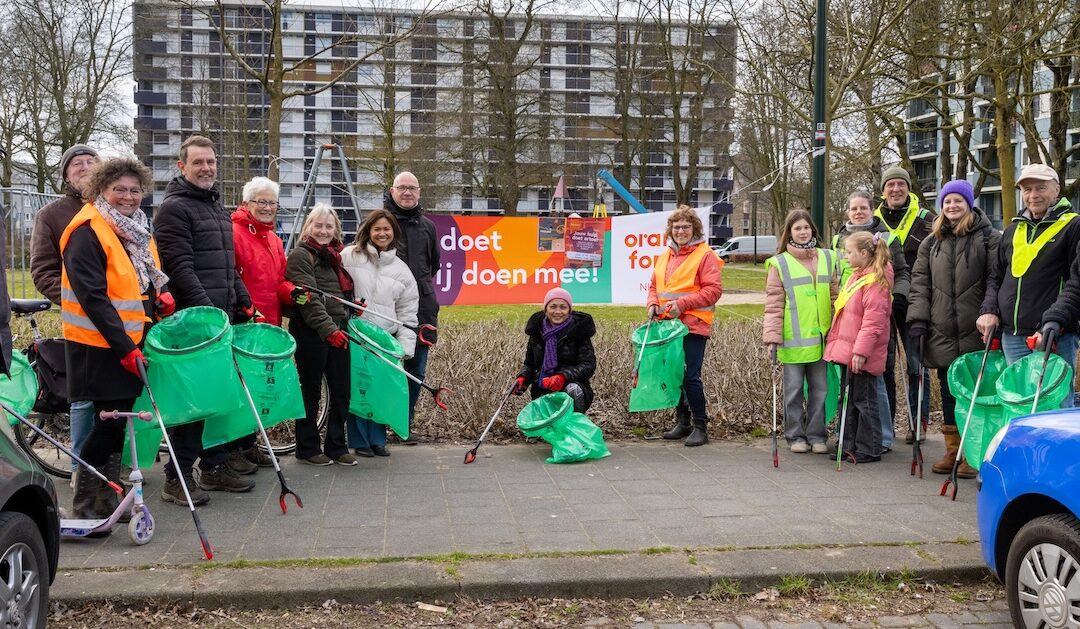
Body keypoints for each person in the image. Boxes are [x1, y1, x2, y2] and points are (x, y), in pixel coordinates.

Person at [59, 158, 172, 523]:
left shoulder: (136, 230)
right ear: (101, 190)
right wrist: (125, 349)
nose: (128, 196)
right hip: (98, 347)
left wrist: (158, 298)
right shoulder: (87, 230)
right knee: (107, 423)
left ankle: (109, 498)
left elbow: (137, 282)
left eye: (135, 190)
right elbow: (93, 296)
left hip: (129, 342)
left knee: (118, 422)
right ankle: (84, 504)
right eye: (119, 190)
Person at [154, 135, 256, 503]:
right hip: (197, 323)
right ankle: (176, 477)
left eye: (211, 161)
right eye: (198, 162)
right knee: (194, 404)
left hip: (220, 319)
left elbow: (227, 265)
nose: (206, 168)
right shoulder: (174, 210)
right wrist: (208, 313)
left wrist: (242, 298)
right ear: (182, 166)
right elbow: (179, 268)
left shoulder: (215, 206)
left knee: (217, 397)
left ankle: (213, 467)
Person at [906, 180, 999, 478]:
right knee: (948, 390)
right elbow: (920, 284)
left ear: (969, 203)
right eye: (947, 201)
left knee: (975, 391)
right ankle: (952, 450)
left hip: (976, 327)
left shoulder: (988, 238)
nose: (952, 206)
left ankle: (973, 453)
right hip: (942, 328)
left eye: (958, 200)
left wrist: (990, 312)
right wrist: (918, 321)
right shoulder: (931, 243)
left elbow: (995, 279)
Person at [981, 163, 1080, 408]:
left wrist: (1055, 320)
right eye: (1027, 189)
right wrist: (989, 310)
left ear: (1057, 190)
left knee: (1055, 407)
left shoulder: (1073, 226)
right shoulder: (1013, 229)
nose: (1033, 195)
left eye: (1040, 188)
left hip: (1052, 335)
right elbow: (996, 277)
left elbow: (1076, 282)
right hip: (1012, 336)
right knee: (1020, 406)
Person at [29, 144, 100, 477]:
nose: (84, 166)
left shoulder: (115, 205)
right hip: (83, 319)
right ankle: (82, 471)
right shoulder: (52, 215)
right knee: (84, 396)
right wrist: (80, 301)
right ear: (66, 176)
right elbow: (43, 271)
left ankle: (113, 463)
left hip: (123, 318)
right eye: (76, 163)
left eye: (91, 160)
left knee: (118, 395)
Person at [231, 176, 307, 468]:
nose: (267, 207)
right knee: (240, 389)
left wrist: (292, 292)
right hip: (245, 323)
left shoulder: (274, 239)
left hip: (269, 325)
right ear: (247, 203)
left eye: (272, 203)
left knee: (258, 388)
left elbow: (279, 281)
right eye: (260, 202)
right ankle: (233, 450)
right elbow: (230, 278)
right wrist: (245, 309)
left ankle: (248, 443)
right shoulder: (234, 234)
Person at [833, 190, 910, 451]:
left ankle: (880, 438)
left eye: (863, 208)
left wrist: (895, 300)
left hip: (872, 320)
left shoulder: (886, 239)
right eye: (853, 208)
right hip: (849, 321)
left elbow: (902, 273)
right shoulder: (839, 241)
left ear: (871, 209)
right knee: (852, 388)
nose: (858, 212)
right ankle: (851, 438)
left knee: (876, 382)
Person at [341, 209, 419, 457]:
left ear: (394, 232)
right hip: (355, 337)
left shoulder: (402, 270)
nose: (382, 233)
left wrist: (404, 347)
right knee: (359, 388)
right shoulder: (348, 256)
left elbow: (408, 313)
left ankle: (377, 440)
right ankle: (359, 441)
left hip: (384, 341)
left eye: (387, 229)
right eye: (377, 229)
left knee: (381, 391)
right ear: (368, 231)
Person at [285, 204, 356, 466]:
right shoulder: (301, 255)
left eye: (328, 226)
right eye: (318, 225)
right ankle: (307, 447)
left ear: (336, 229)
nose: (323, 231)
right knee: (311, 391)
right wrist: (330, 331)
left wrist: (352, 307)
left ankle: (336, 446)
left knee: (342, 391)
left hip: (337, 328)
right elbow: (309, 300)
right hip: (312, 331)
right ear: (308, 227)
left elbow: (335, 295)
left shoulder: (334, 257)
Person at [763, 210, 837, 454]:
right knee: (794, 391)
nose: (803, 232)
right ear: (789, 233)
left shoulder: (828, 258)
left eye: (806, 227)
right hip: (792, 341)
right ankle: (795, 436)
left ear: (812, 229)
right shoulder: (780, 263)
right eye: (797, 228)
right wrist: (772, 338)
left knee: (820, 391)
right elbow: (774, 304)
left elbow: (835, 297)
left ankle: (817, 435)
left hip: (821, 340)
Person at [647, 206, 722, 447]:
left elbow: (713, 291)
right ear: (671, 229)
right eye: (677, 227)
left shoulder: (705, 255)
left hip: (693, 326)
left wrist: (682, 304)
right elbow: (654, 286)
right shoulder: (665, 255)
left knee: (690, 376)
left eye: (686, 227)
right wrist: (652, 304)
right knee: (674, 375)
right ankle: (683, 422)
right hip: (668, 326)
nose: (681, 231)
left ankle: (700, 426)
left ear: (694, 229)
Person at [875, 167, 934, 445]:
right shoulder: (873, 222)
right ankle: (886, 425)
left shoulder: (926, 220)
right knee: (884, 366)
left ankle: (917, 422)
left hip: (915, 302)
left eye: (901, 184)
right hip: (880, 305)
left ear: (908, 188)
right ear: (883, 190)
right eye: (890, 185)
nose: (896, 189)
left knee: (915, 365)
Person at [824, 231, 893, 463]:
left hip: (861, 353)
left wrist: (861, 352)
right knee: (849, 400)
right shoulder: (856, 277)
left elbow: (873, 323)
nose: (845, 256)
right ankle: (849, 444)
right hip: (849, 351)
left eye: (849, 252)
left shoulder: (875, 282)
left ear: (863, 253)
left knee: (864, 401)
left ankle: (870, 446)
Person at [383, 172, 440, 444]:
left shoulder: (428, 227)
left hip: (421, 311)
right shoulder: (380, 223)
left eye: (412, 188)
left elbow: (434, 264)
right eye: (402, 187)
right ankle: (378, 427)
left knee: (415, 371)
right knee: (384, 371)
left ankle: (402, 426)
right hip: (386, 309)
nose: (407, 192)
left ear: (419, 191)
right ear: (392, 190)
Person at [513, 287, 596, 413]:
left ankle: (573, 422)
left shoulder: (579, 331)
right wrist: (523, 378)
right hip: (542, 388)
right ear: (546, 310)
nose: (558, 311)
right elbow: (530, 364)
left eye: (563, 307)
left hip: (573, 386)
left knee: (573, 390)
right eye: (553, 306)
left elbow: (588, 365)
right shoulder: (537, 332)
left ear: (569, 310)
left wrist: (563, 377)